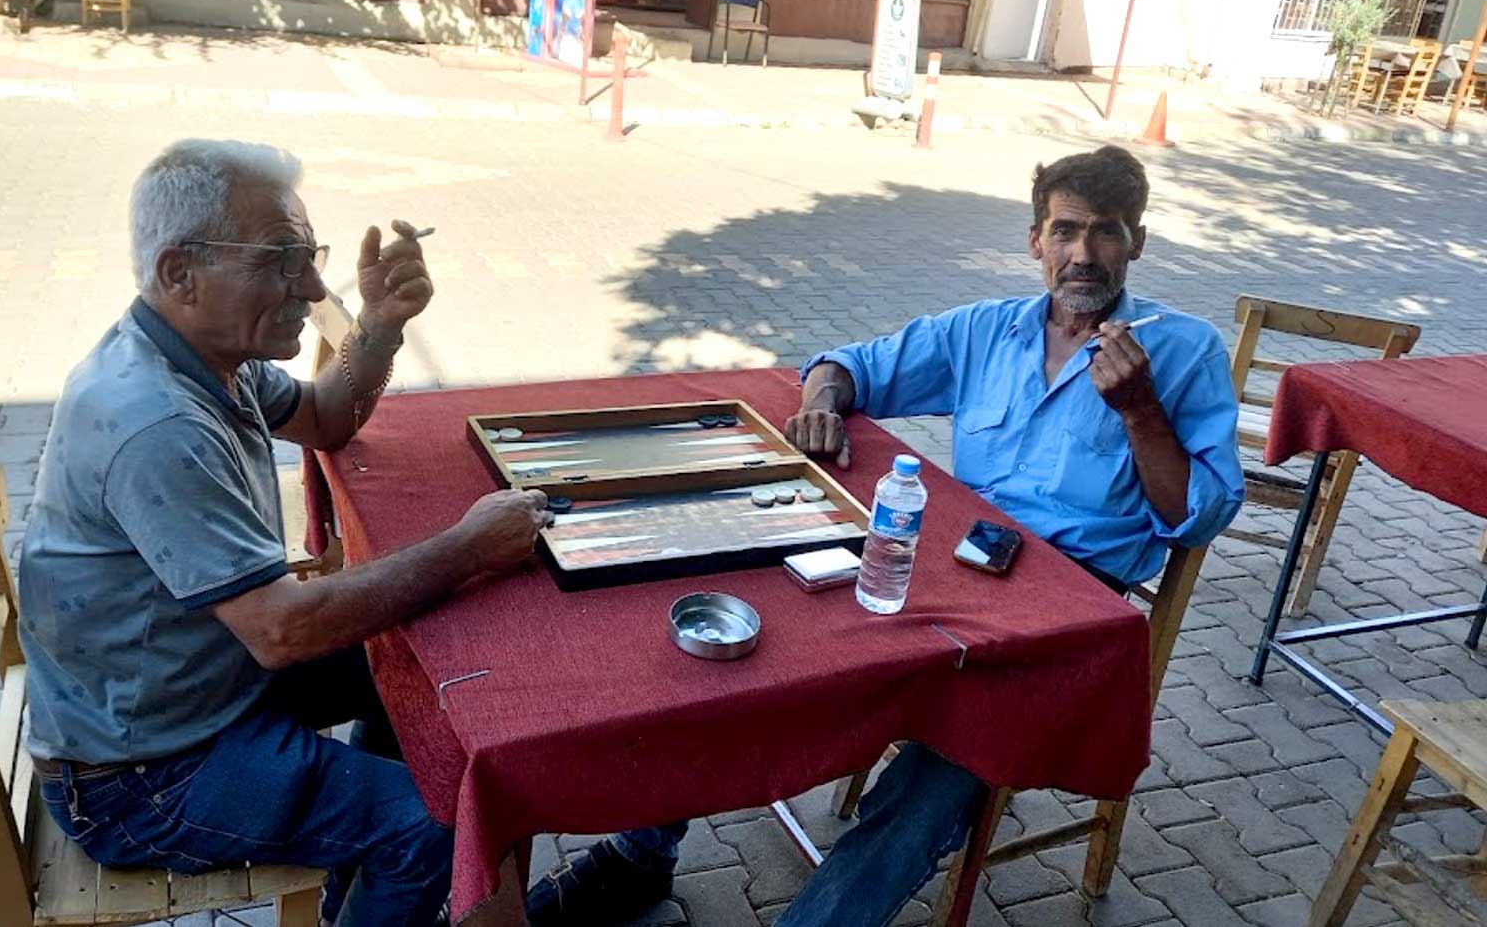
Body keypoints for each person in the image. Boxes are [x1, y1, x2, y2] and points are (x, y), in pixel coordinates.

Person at [526, 144, 1244, 926]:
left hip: (1061, 624)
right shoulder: (987, 330)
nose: (1083, 253)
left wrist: (1141, 412)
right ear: (1035, 240)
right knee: (750, 650)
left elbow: (1202, 515)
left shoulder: (1182, 351)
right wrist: (821, 403)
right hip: (944, 570)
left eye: (1106, 232)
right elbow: (847, 365)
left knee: (932, 782)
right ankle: (640, 855)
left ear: (1137, 243)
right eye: (1066, 230)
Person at [20, 139, 551, 927]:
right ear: (179, 272)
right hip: (139, 775)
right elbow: (283, 631)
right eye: (280, 261)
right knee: (439, 826)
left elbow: (327, 415)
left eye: (309, 257)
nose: (310, 287)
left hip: (196, 689)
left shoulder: (203, 356)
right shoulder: (156, 420)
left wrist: (380, 323)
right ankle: (380, 869)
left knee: (418, 667)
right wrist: (468, 547)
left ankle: (356, 888)